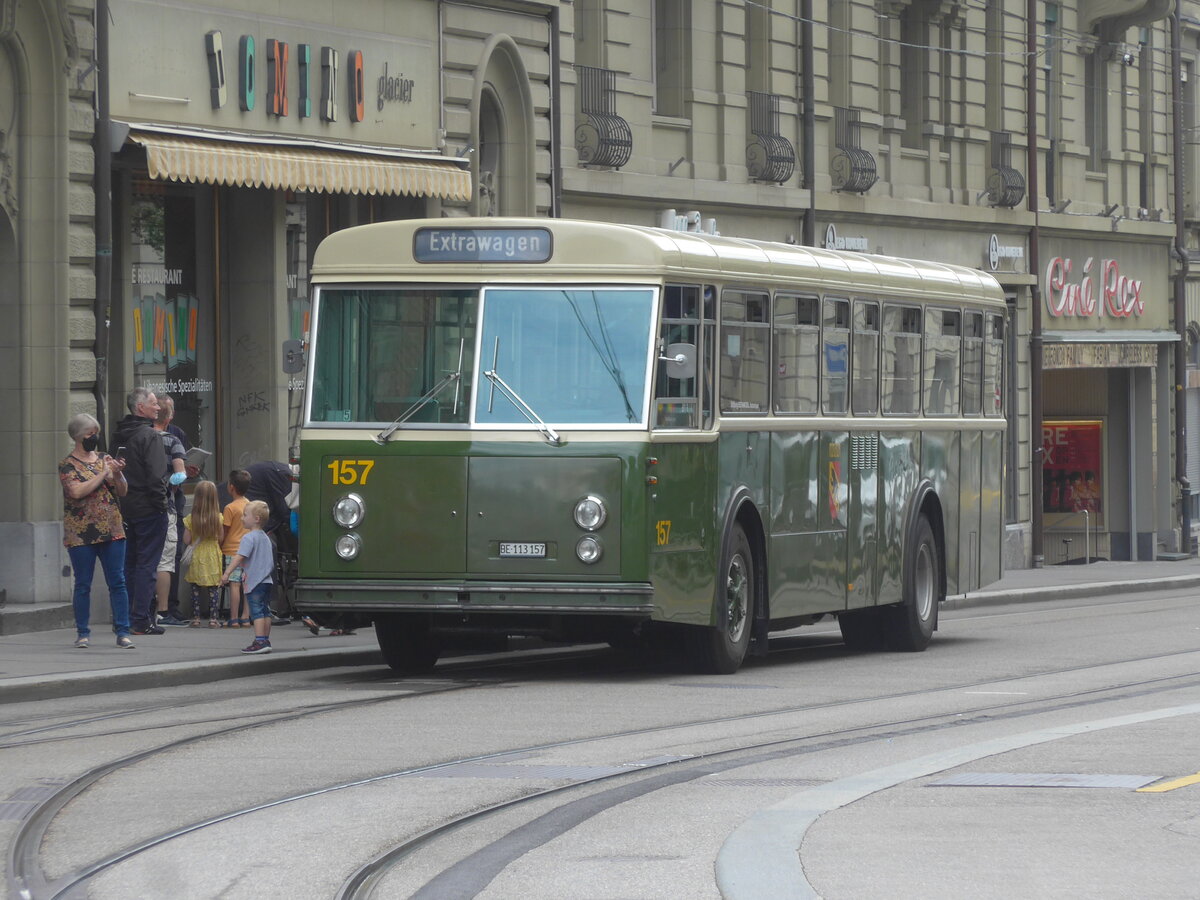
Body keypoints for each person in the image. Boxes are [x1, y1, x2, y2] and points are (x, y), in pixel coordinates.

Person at [59, 413, 135, 649]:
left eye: (96, 433)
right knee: (83, 583)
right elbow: (77, 492)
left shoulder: (105, 458)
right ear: (78, 436)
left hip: (112, 528)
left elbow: (122, 491)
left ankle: (123, 631)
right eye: (90, 434)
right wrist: (103, 473)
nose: (95, 437)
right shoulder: (67, 465)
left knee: (118, 581)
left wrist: (119, 473)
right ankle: (83, 633)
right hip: (81, 532)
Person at [113, 387, 172, 635]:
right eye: (153, 403)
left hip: (126, 507)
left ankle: (125, 618)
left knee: (129, 564)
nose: (158, 407)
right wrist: (162, 506)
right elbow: (157, 477)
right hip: (149, 508)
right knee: (147, 565)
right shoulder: (150, 436)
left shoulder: (118, 435)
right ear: (141, 408)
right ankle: (141, 620)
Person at [220, 500, 275, 654]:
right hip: (267, 580)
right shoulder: (266, 538)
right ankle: (266, 638)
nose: (242, 518)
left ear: (256, 519)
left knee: (256, 612)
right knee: (265, 611)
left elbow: (239, 557)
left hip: (254, 581)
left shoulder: (248, 538)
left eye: (245, 515)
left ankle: (259, 641)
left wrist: (227, 573)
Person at [153, 396, 189, 626]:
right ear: (170, 417)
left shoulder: (138, 437)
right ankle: (163, 611)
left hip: (138, 507)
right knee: (165, 560)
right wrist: (174, 482)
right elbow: (180, 474)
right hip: (165, 504)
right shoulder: (172, 440)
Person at [183, 481, 225, 627]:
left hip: (197, 555)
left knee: (195, 588)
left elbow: (186, 539)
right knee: (213, 588)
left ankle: (196, 618)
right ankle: (213, 619)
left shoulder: (191, 518)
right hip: (213, 553)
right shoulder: (218, 517)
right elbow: (220, 538)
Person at [220, 469, 251, 627]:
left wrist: (219, 545)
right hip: (248, 550)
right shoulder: (250, 505)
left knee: (234, 583)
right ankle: (246, 617)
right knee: (247, 584)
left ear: (231, 487)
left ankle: (233, 618)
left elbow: (225, 531)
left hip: (232, 549)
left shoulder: (230, 508)